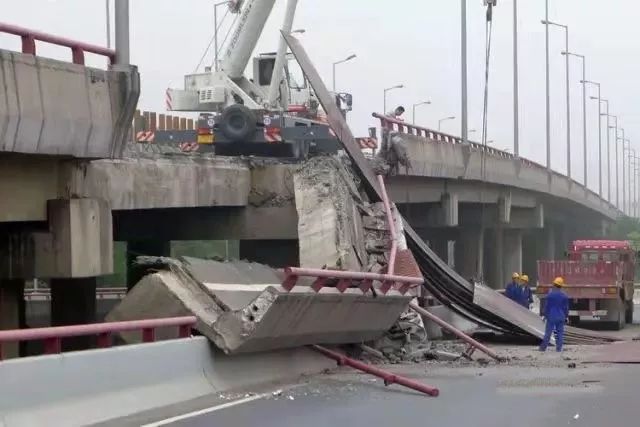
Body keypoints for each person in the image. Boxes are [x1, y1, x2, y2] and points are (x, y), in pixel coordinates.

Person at [539, 277, 569, 352]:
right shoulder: (564, 296)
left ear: (554, 285)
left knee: (548, 333)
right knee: (560, 334)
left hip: (551, 317)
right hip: (561, 317)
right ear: (561, 286)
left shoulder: (550, 295)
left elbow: (547, 307)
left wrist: (544, 316)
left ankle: (543, 348)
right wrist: (566, 316)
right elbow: (566, 308)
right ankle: (558, 349)